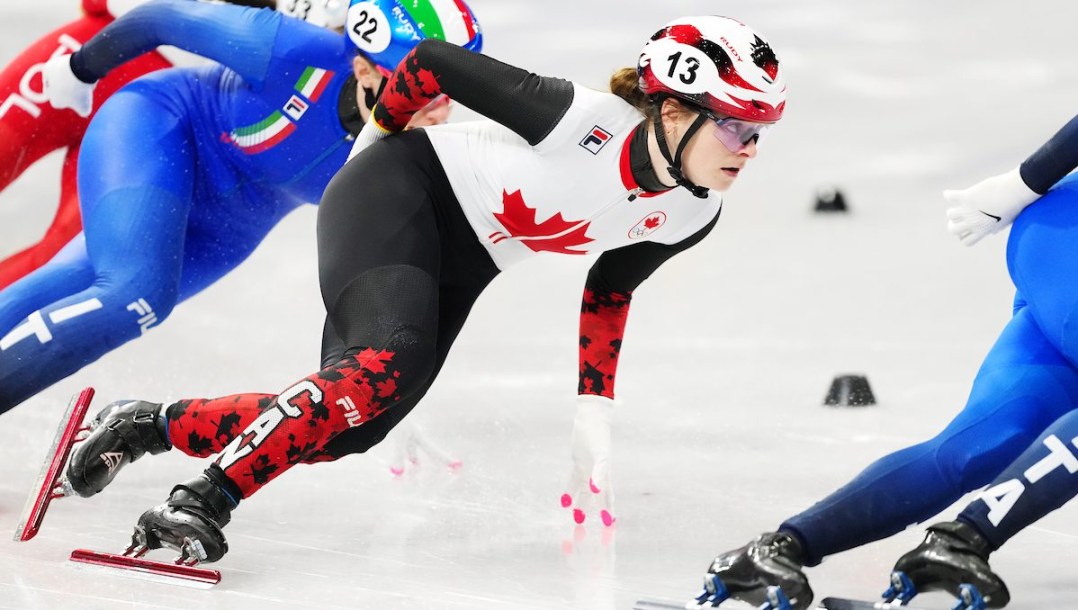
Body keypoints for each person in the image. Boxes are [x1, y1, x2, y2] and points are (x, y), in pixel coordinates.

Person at [63, 15, 787, 564]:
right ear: (671, 111)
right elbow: (436, 62)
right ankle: (202, 500)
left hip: (468, 259)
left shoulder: (693, 211)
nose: (749, 149)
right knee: (385, 363)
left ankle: (150, 424)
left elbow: (609, 291)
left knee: (352, 427)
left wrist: (592, 416)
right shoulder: (580, 119)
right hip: (398, 191)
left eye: (760, 132)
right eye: (735, 127)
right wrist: (377, 138)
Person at [0, 0, 479, 413]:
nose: (438, 111)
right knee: (134, 295)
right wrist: (78, 70)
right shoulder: (294, 52)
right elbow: (163, 17)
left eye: (450, 94)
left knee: (75, 286)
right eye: (421, 91)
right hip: (163, 130)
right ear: (365, 70)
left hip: (231, 225)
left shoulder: (412, 154)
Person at [698, 112, 1078, 609]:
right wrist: (1020, 183)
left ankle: (777, 552)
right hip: (1063, 243)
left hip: (1054, 241)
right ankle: (960, 542)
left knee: (984, 440)